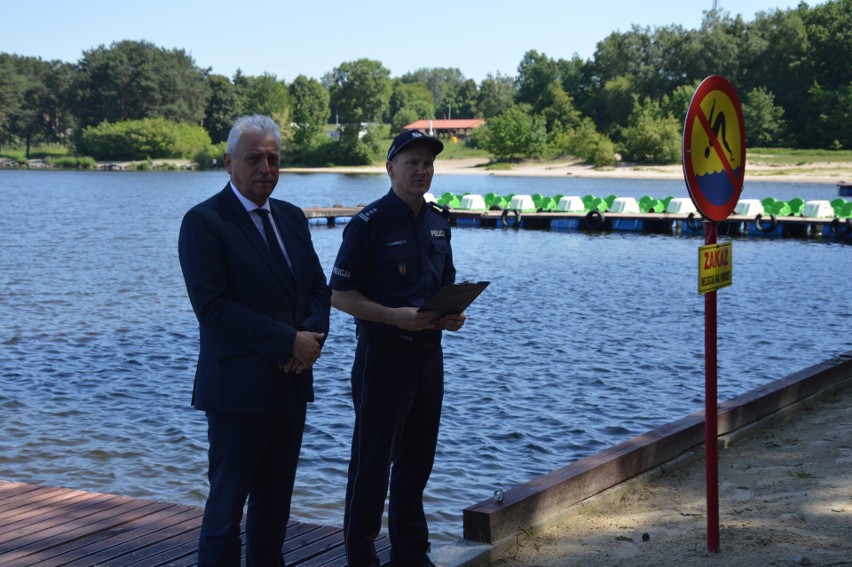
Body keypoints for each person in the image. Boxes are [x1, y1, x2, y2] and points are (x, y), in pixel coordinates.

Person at [178, 114, 330, 566]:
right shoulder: (204, 222)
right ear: (228, 163)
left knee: (274, 511)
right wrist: (288, 342)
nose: (265, 167)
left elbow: (319, 289)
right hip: (237, 394)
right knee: (225, 513)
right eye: (253, 159)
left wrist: (312, 341)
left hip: (290, 387)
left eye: (273, 158)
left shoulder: (290, 217)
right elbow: (214, 307)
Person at [329, 130, 467, 567]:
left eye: (428, 163)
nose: (421, 170)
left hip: (429, 357)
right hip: (383, 357)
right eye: (412, 163)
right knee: (371, 464)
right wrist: (394, 315)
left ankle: (410, 554)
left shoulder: (440, 221)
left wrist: (452, 314)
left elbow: (444, 284)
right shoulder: (367, 224)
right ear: (390, 169)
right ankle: (361, 556)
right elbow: (339, 295)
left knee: (416, 462)